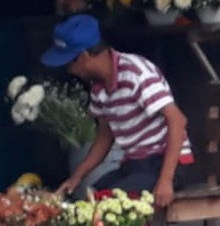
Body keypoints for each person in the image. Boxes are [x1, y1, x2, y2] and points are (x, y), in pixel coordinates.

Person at [41, 14, 192, 207]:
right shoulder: (98, 86)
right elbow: (105, 134)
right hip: (135, 165)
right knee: (91, 198)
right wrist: (77, 177)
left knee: (107, 203)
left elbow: (178, 121)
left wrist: (165, 181)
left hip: (164, 162)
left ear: (85, 57)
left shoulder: (136, 73)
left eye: (69, 63)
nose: (69, 70)